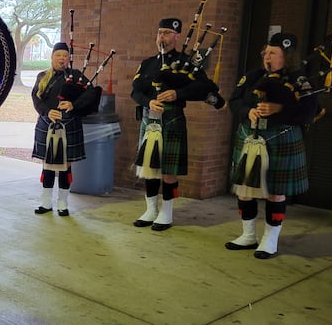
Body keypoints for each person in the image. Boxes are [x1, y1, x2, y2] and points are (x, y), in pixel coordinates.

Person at [225, 33, 318, 259]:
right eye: (265, 52)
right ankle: (248, 235)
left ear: (287, 56)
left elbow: (308, 113)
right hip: (251, 137)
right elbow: (234, 101)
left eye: (273, 53)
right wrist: (248, 111)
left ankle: (270, 239)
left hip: (281, 138)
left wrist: (279, 110)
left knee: (275, 194)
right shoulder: (253, 76)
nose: (267, 57)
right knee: (245, 190)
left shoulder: (300, 81)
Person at [131, 18, 215, 231]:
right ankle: (150, 210)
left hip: (173, 119)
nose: (162, 37)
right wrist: (148, 101)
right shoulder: (147, 63)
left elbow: (205, 88)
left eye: (167, 33)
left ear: (177, 36)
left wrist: (178, 93)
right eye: (160, 32)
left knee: (168, 171)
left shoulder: (188, 63)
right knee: (149, 169)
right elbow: (136, 91)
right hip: (150, 119)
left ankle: (166, 213)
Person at [31, 42, 100, 216]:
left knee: (65, 166)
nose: (61, 58)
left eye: (65, 55)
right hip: (47, 124)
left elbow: (92, 93)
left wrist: (73, 104)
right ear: (52, 57)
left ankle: (63, 203)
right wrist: (47, 112)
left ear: (68, 58)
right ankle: (45, 202)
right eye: (58, 55)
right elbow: (35, 98)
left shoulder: (75, 76)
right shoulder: (42, 76)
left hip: (69, 124)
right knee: (47, 165)